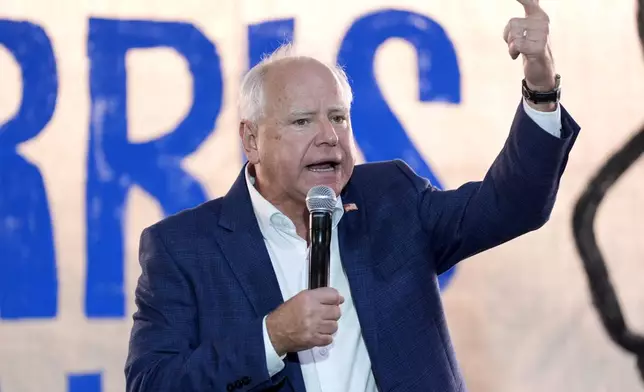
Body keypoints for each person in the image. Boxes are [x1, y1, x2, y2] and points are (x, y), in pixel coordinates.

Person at [125, 1, 580, 391]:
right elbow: (153, 383)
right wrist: (272, 338)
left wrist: (541, 87)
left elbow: (511, 204)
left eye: (339, 118)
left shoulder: (391, 200)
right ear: (251, 140)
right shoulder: (184, 248)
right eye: (303, 121)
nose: (329, 137)